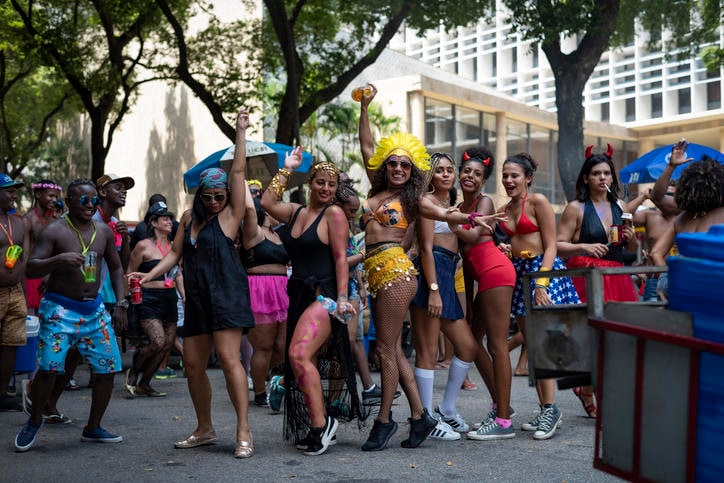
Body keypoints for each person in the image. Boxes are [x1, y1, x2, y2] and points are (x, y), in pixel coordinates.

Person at [357, 84, 502, 451]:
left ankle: (385, 420)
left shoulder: (414, 199)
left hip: (397, 272)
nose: (398, 168)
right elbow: (367, 148)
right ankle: (420, 416)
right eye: (393, 163)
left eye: (406, 165)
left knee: (386, 351)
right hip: (376, 273)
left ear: (413, 171)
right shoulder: (376, 191)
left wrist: (472, 217)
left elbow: (445, 214)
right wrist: (364, 109)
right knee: (391, 350)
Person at [129, 108, 255, 458]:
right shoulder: (188, 219)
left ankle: (243, 431)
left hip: (227, 295)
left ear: (227, 196)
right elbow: (174, 254)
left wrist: (240, 132)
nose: (214, 202)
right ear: (199, 195)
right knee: (194, 365)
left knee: (228, 360)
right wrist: (148, 275)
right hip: (198, 298)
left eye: (219, 196)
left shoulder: (230, 216)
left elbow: (238, 172)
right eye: (208, 196)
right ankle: (204, 428)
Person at [14, 178, 127, 452]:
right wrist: (58, 260)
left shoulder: (103, 232)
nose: (90, 205)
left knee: (108, 369)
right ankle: (34, 420)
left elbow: (116, 268)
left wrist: (121, 303)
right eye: (84, 200)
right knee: (49, 369)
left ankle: (93, 428)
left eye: (94, 201)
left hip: (94, 310)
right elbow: (31, 267)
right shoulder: (55, 230)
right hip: (60, 309)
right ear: (69, 202)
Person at [261, 154, 360, 456]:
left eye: (331, 184)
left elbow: (341, 258)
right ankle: (318, 421)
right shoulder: (295, 211)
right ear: (309, 183)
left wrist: (342, 298)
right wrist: (287, 169)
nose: (326, 188)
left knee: (298, 354)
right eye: (320, 182)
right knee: (306, 362)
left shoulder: (334, 214)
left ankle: (322, 425)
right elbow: (266, 202)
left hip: (324, 295)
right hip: (299, 295)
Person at [499, 153, 580, 441]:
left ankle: (551, 409)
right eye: (505, 175)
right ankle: (546, 408)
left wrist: (541, 284)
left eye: (515, 175)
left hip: (542, 271)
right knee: (533, 345)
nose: (509, 180)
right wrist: (506, 250)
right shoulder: (504, 209)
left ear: (528, 178)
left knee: (543, 343)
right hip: (519, 272)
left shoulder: (538, 202)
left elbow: (551, 246)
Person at [556, 144, 639, 418]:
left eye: (606, 173)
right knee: (590, 337)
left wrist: (632, 239)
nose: (602, 177)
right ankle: (592, 390)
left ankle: (591, 389)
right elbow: (556, 245)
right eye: (596, 173)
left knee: (616, 339)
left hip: (615, 276)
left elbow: (630, 250)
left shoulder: (621, 206)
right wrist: (583, 247)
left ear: (612, 177)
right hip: (586, 276)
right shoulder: (575, 208)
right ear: (586, 177)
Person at [408, 152, 479, 442]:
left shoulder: (452, 204)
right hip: (432, 273)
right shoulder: (427, 202)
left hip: (447, 271)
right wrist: (434, 290)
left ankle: (446, 408)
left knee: (468, 347)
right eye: (440, 170)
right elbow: (426, 248)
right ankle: (425, 418)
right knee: (426, 352)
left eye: (450, 169)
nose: (446, 174)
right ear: (430, 176)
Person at [450, 147, 518, 440]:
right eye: (467, 171)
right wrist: (468, 303)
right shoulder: (458, 207)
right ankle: (501, 406)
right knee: (473, 342)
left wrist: (450, 222)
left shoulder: (484, 202)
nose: (471, 176)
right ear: (460, 174)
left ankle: (503, 422)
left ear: (483, 181)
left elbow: (473, 236)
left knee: (497, 346)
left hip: (496, 272)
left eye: (477, 174)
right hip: (482, 277)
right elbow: (465, 259)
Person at [124, 201, 183, 398]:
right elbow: (130, 273)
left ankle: (145, 383)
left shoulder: (174, 247)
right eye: (164, 218)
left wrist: (184, 297)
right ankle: (134, 371)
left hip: (169, 299)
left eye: (170, 218)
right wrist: (128, 301)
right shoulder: (143, 246)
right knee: (157, 342)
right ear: (153, 222)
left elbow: (178, 274)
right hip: (149, 298)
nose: (169, 221)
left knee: (167, 345)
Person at [240, 189, 289, 407]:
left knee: (283, 346)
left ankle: (263, 374)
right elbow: (250, 209)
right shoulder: (253, 231)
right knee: (264, 346)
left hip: (282, 289)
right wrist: (241, 177)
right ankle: (260, 392)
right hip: (260, 288)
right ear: (266, 211)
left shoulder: (277, 235)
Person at [650, 153, 724, 271]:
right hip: (714, 278)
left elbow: (655, 253)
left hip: (684, 278)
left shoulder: (681, 218)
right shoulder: (721, 214)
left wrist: (668, 277)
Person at [0, 174, 30, 412]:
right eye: (9, 190)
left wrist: (19, 279)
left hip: (16, 291)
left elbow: (25, 254)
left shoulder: (19, 223)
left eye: (15, 190)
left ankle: (1, 394)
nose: (14, 195)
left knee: (12, 343)